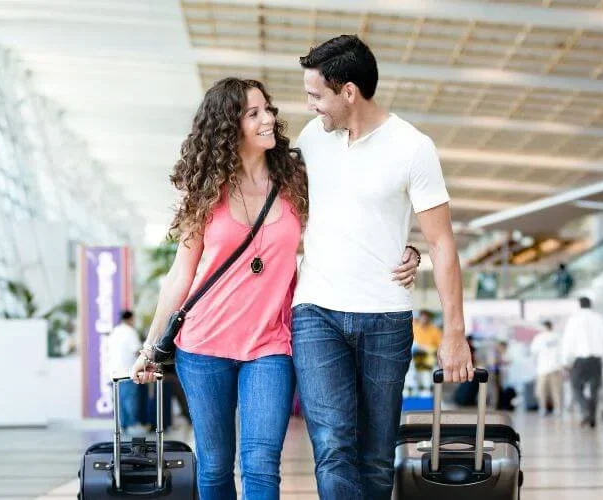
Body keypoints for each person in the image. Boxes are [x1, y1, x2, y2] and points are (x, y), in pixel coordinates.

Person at [129, 77, 419, 500]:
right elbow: (181, 273)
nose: (269, 118)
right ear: (229, 126)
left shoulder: (295, 182)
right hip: (203, 346)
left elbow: (353, 221)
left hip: (271, 346)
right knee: (213, 465)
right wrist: (149, 347)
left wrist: (404, 248)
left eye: (267, 108)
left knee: (262, 463)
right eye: (254, 113)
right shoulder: (207, 192)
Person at [292, 35, 475, 500]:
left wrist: (455, 332)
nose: (311, 105)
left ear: (348, 92)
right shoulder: (312, 139)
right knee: (333, 446)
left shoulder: (413, 147)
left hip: (386, 317)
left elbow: (442, 241)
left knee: (375, 457)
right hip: (317, 311)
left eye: (317, 95)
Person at [560, 297, 603, 428]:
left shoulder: (574, 320)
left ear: (579, 305)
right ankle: (592, 416)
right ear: (591, 305)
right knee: (595, 389)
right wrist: (601, 348)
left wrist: (566, 361)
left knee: (576, 387)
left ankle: (585, 410)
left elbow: (568, 342)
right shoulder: (599, 318)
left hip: (580, 359)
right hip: (596, 359)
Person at [107, 310, 147, 435]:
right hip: (127, 371)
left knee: (119, 400)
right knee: (129, 399)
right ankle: (131, 425)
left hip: (114, 371)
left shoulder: (115, 331)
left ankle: (122, 426)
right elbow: (137, 350)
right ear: (130, 319)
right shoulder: (130, 332)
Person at [530, 320, 564, 416]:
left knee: (542, 390)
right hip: (555, 367)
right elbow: (562, 353)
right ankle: (556, 409)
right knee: (555, 390)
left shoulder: (539, 338)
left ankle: (543, 408)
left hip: (543, 369)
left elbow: (533, 352)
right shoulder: (558, 337)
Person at [406, 310, 444, 396]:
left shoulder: (435, 330)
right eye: (423, 316)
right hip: (414, 357)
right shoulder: (414, 327)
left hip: (428, 358)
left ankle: (426, 392)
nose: (424, 319)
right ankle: (412, 392)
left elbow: (439, 346)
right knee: (411, 377)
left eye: (426, 316)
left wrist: (426, 348)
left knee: (426, 378)